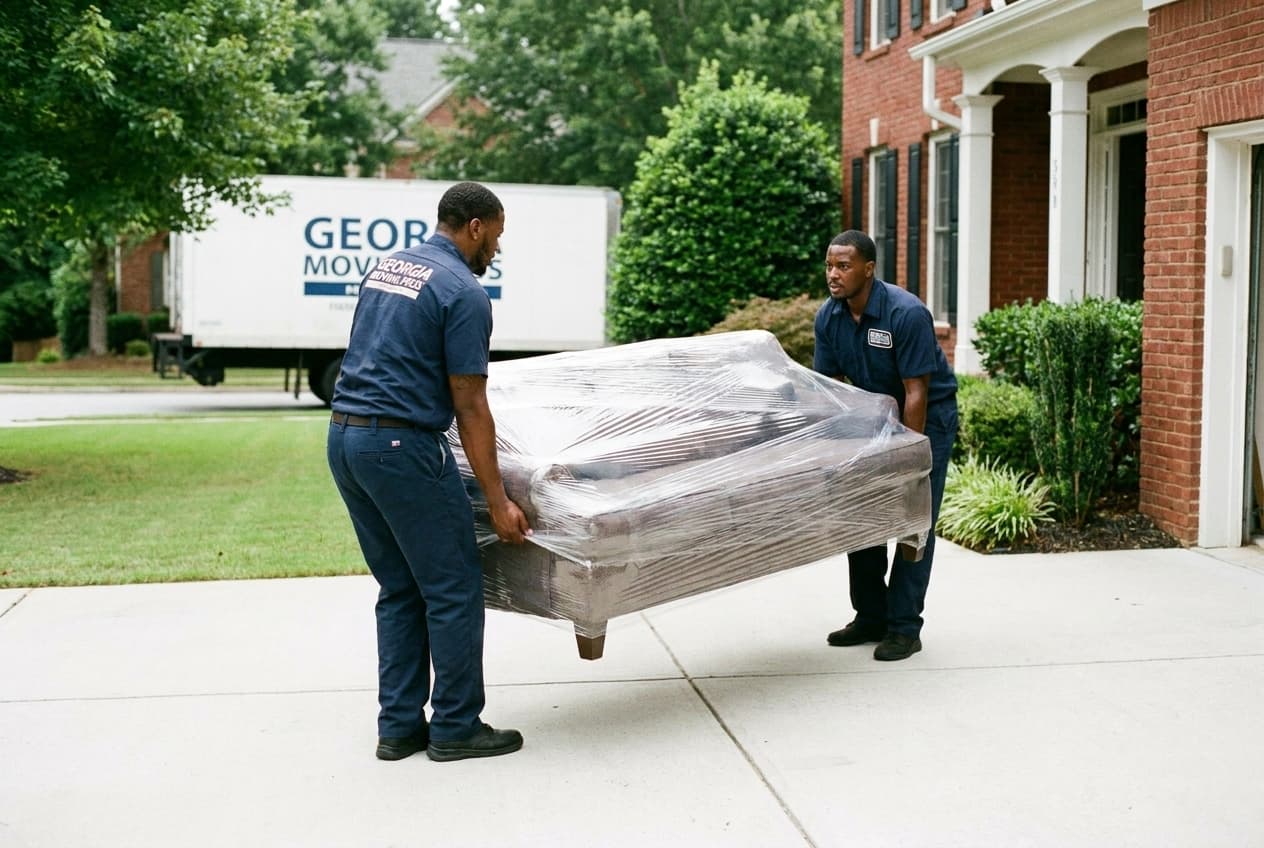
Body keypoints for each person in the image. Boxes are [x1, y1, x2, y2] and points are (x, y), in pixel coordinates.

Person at [326, 181, 532, 762]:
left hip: (345, 439)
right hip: (400, 447)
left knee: (400, 588)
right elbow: (469, 405)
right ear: (475, 227)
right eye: (495, 235)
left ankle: (398, 728)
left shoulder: (389, 268)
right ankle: (456, 725)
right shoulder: (463, 292)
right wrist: (498, 501)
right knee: (452, 586)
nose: (495, 247)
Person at [813, 229, 958, 661]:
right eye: (829, 266)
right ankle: (871, 617)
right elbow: (829, 390)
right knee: (862, 517)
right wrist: (830, 448)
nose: (833, 275)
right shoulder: (830, 317)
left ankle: (904, 628)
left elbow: (916, 392)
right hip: (870, 418)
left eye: (844, 266)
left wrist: (908, 459)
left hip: (925, 420)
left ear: (869, 269)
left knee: (913, 522)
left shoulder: (906, 314)